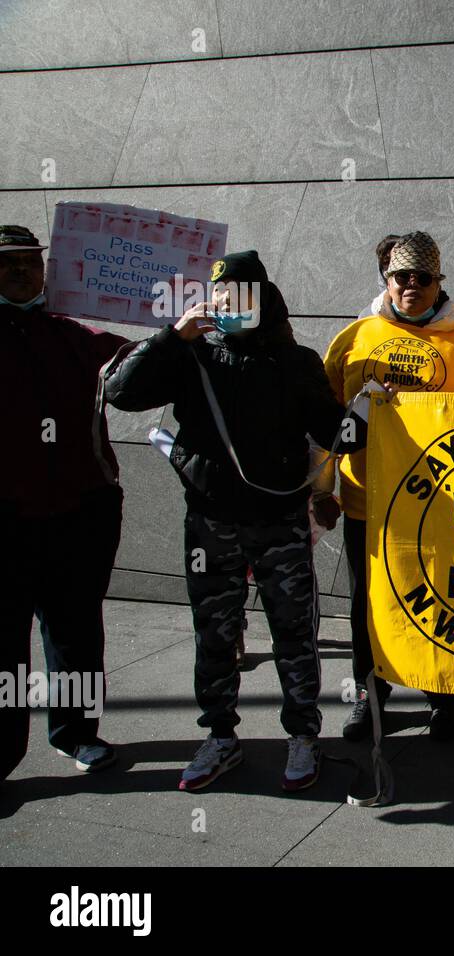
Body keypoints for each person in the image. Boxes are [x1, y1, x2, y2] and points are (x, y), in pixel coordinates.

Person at [104, 250, 366, 793]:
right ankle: (220, 736)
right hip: (210, 521)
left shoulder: (294, 361)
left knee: (295, 633)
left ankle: (303, 736)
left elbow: (335, 432)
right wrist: (171, 337)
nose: (227, 305)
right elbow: (121, 393)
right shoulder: (191, 355)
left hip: (279, 522)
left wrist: (367, 412)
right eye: (219, 295)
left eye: (240, 295)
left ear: (263, 298)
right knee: (215, 635)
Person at [324, 231, 454, 743]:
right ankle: (370, 698)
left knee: (440, 599)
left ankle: (443, 696)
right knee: (364, 604)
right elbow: (322, 420)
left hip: (438, 506)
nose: (411, 286)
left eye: (423, 278)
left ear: (439, 283)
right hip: (364, 499)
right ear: (386, 281)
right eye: (401, 277)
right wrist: (319, 488)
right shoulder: (353, 339)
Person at [1, 224, 128, 782]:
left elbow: (137, 366)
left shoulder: (78, 333)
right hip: (5, 520)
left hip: (80, 513)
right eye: (8, 264)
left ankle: (77, 734)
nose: (21, 270)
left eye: (30, 261)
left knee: (75, 633)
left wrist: (181, 335)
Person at [360, 234, 401, 319]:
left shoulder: (434, 314)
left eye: (397, 260)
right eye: (387, 262)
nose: (392, 267)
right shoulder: (369, 316)